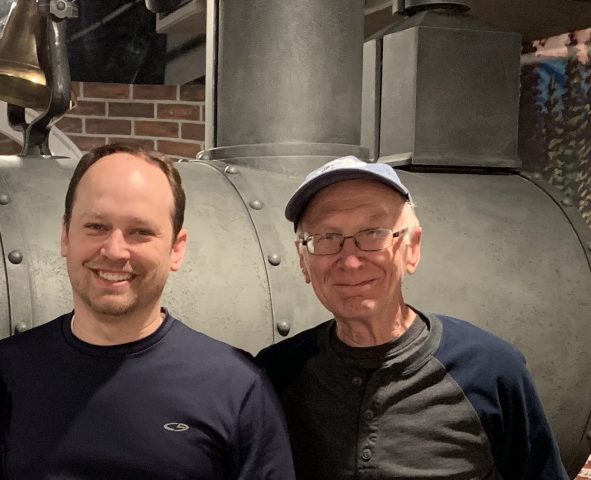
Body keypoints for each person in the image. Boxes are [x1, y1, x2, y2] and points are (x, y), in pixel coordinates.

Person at [256, 156, 568, 480]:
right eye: (327, 238)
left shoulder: (491, 370)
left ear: (413, 248)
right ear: (304, 261)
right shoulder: (278, 373)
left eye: (373, 233)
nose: (349, 261)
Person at [0, 143, 295, 480]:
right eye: (96, 226)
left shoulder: (236, 387)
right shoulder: (9, 371)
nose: (114, 250)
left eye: (140, 232)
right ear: (66, 234)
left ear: (176, 249)